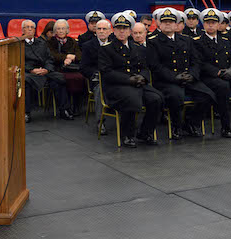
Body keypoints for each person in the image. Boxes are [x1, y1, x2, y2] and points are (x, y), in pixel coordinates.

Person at [147, 8, 215, 139]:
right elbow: (155, 66)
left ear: (176, 24)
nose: (168, 24)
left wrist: (192, 75)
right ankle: (176, 126)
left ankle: (191, 123)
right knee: (176, 96)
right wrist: (174, 77)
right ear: (159, 25)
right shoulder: (153, 42)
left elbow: (196, 61)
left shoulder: (186, 40)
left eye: (171, 22)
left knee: (208, 95)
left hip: (187, 78)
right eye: (165, 22)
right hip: (166, 81)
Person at [98, 13, 163, 148]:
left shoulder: (138, 48)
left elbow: (145, 67)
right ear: (113, 31)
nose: (122, 31)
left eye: (125, 28)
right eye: (119, 28)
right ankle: (127, 135)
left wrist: (142, 77)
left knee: (157, 98)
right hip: (117, 87)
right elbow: (107, 73)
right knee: (132, 98)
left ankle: (145, 132)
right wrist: (129, 79)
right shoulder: (106, 49)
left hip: (137, 84)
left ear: (130, 31)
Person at [192, 8, 231, 137]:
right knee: (223, 87)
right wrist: (218, 72)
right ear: (203, 24)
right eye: (208, 22)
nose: (211, 25)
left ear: (218, 24)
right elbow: (200, 63)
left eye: (213, 22)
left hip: (227, 74)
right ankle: (225, 127)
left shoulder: (226, 41)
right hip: (209, 77)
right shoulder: (197, 41)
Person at [22, 20, 73, 122]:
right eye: (27, 27)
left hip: (44, 71)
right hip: (29, 72)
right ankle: (26, 112)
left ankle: (64, 110)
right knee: (25, 81)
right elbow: (18, 61)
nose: (30, 29)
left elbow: (49, 59)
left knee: (59, 79)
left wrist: (47, 69)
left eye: (32, 27)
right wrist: (31, 70)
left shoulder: (41, 43)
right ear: (22, 30)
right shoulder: (18, 45)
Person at [79, 19, 112, 134]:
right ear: (95, 31)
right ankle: (100, 122)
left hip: (114, 78)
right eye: (99, 29)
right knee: (100, 90)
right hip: (97, 79)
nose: (101, 31)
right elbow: (83, 68)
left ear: (110, 31)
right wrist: (96, 74)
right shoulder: (87, 46)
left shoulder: (115, 43)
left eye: (104, 29)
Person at [48, 19, 84, 112]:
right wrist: (66, 57)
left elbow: (80, 55)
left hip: (71, 68)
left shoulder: (72, 41)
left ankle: (76, 106)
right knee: (60, 80)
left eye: (63, 28)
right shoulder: (50, 42)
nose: (60, 31)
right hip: (57, 68)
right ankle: (65, 108)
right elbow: (52, 55)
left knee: (79, 78)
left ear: (67, 30)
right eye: (58, 29)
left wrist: (73, 58)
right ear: (55, 31)